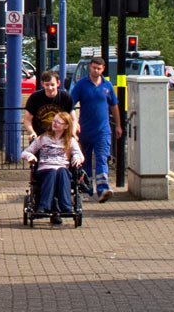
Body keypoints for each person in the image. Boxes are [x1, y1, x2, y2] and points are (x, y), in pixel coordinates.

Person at [70, 56, 122, 202]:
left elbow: (114, 105)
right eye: (94, 68)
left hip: (102, 130)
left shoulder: (107, 85)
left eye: (99, 68)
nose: (96, 70)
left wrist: (118, 125)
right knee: (84, 161)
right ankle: (87, 190)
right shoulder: (81, 85)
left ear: (103, 69)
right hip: (85, 130)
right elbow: (70, 103)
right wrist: (73, 123)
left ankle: (103, 189)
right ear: (90, 68)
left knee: (101, 158)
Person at [22, 111, 84, 224]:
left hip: (61, 168)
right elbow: (26, 152)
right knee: (52, 172)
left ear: (65, 126)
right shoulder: (43, 138)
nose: (54, 124)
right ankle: (44, 206)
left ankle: (66, 206)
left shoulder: (70, 140)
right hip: (45, 169)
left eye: (58, 122)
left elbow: (79, 155)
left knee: (61, 171)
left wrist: (77, 158)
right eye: (53, 121)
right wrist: (31, 157)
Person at [23, 70, 75, 137]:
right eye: (47, 85)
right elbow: (27, 120)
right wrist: (32, 133)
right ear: (42, 84)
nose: (50, 88)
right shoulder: (35, 97)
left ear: (58, 83)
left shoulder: (66, 97)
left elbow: (73, 119)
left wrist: (72, 134)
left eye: (52, 85)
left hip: (61, 138)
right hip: (40, 138)